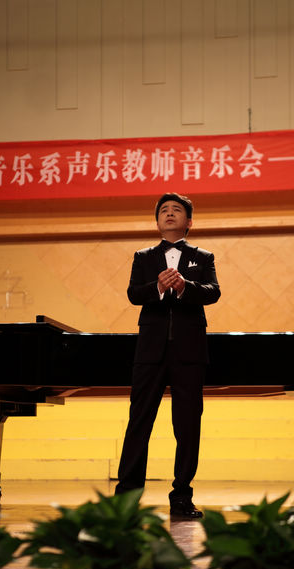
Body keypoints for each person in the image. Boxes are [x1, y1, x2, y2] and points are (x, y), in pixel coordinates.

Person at [115, 193, 221, 518]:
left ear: (189, 222)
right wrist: (158, 287)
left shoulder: (203, 256)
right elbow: (134, 294)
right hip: (150, 351)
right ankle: (126, 499)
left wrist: (185, 286)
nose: (170, 213)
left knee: (187, 426)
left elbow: (213, 292)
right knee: (139, 422)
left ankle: (182, 497)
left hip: (190, 351)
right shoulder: (143, 256)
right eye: (164, 210)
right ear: (157, 221)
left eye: (177, 210)